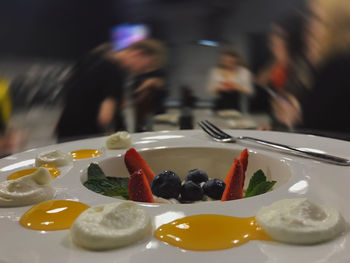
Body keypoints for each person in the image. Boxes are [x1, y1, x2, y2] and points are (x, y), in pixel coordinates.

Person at [55, 39, 166, 141]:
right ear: (138, 54)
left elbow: (72, 93)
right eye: (147, 66)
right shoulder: (114, 72)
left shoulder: (92, 58)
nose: (143, 71)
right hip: (85, 139)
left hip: (65, 131)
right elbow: (105, 118)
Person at [272, 0, 350, 137]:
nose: (310, 28)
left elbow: (317, 137)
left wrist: (293, 119)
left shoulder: (337, 68)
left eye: (318, 20)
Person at [207, 47, 254, 112]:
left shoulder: (244, 72)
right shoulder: (215, 72)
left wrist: (236, 87)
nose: (228, 63)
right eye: (225, 61)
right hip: (219, 105)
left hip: (236, 106)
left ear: (236, 60)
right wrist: (220, 88)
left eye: (231, 61)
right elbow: (210, 89)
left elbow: (250, 92)